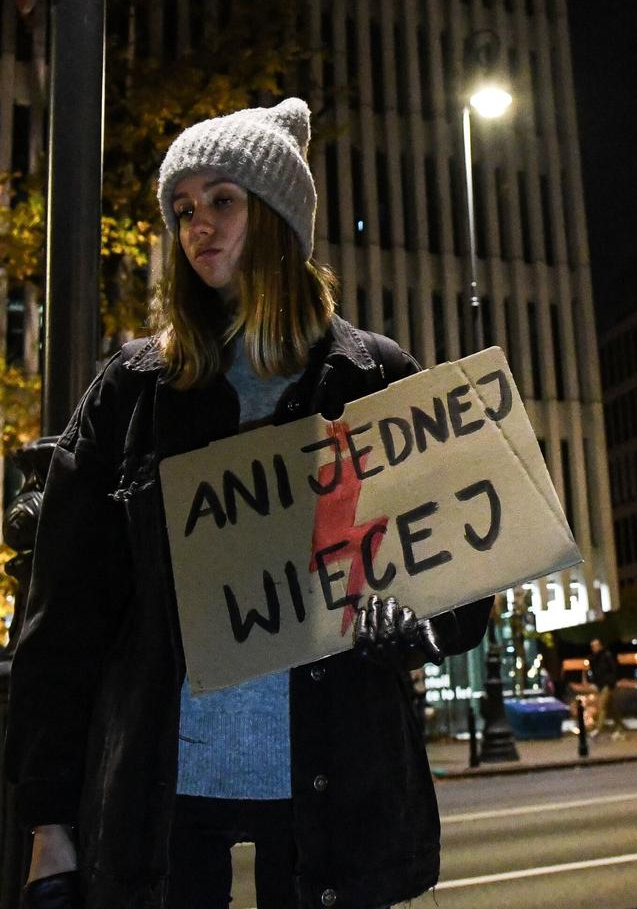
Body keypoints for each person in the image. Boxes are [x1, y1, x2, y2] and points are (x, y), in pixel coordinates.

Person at [7, 99, 492, 909]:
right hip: (166, 806)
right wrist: (46, 820)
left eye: (223, 200)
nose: (200, 226)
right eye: (185, 209)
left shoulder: (373, 378)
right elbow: (64, 619)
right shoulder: (132, 391)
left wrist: (412, 614)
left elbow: (462, 591)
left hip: (333, 808)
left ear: (277, 217)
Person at [588, 637, 627, 737]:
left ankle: (598, 729)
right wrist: (595, 683)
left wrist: (611, 681)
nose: (594, 648)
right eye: (593, 646)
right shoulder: (593, 658)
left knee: (602, 705)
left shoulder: (607, 655)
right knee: (611, 707)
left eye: (596, 645)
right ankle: (620, 726)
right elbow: (594, 673)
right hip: (601, 685)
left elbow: (614, 669)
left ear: (600, 646)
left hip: (607, 685)